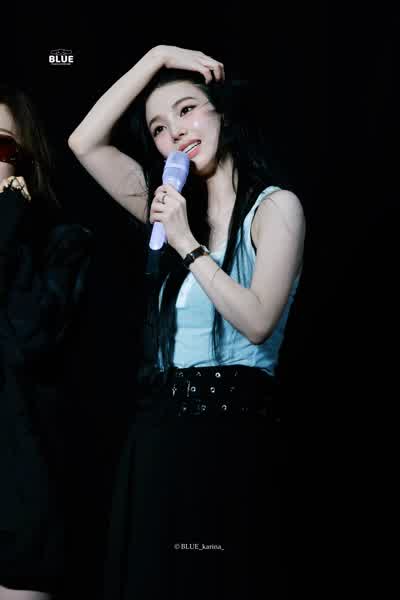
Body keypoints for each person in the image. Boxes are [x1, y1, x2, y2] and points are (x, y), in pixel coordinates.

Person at [69, 45, 305, 599]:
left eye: (187, 110)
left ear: (222, 112)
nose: (174, 131)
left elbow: (258, 321)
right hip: (160, 437)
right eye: (158, 127)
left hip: (233, 441)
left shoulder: (275, 208)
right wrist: (156, 57)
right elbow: (84, 142)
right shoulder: (171, 207)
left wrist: (188, 246)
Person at [0, 84, 92, 599]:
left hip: (19, 496)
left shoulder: (62, 244)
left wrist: (6, 226)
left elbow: (30, 341)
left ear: (24, 159)